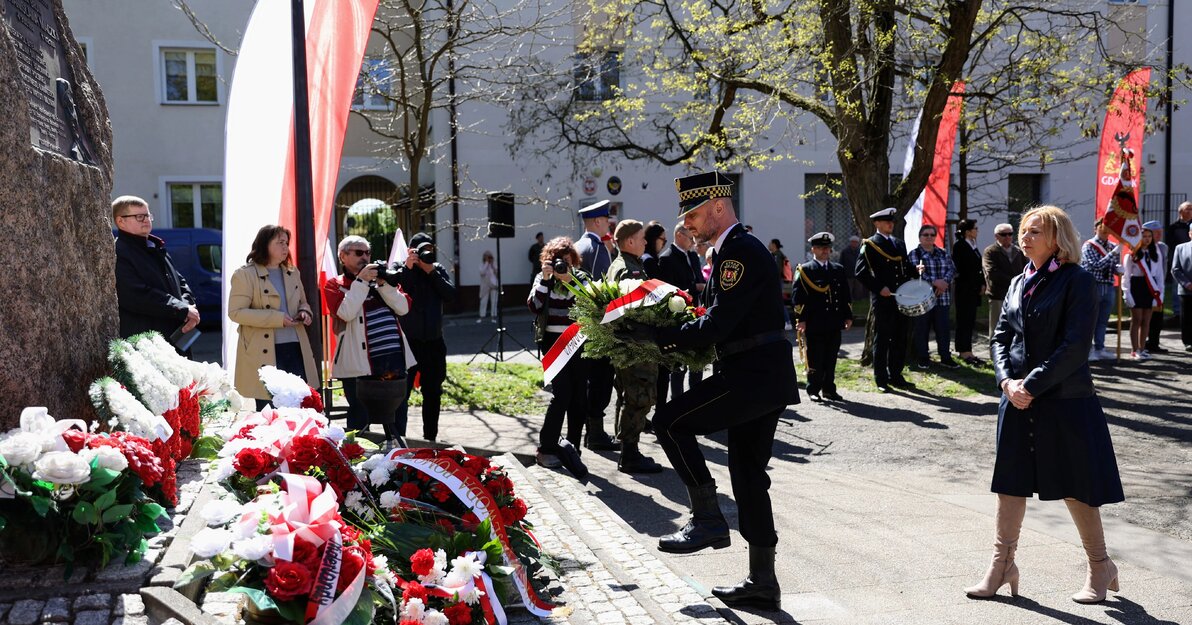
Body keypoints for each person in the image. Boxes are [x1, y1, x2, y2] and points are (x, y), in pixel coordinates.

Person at [650, 171, 799, 611]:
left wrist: (658, 335)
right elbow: (719, 318)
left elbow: (717, 324)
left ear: (718, 206)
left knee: (669, 421)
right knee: (749, 478)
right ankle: (762, 581)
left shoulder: (738, 253)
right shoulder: (735, 251)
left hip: (751, 374)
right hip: (762, 374)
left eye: (693, 214)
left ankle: (707, 519)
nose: (689, 224)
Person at [966, 205, 1123, 604]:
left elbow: (1074, 348)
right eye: (1023, 230)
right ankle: (1002, 566)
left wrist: (1030, 386)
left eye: (1035, 231)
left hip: (1064, 400)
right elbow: (1001, 336)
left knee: (1076, 487)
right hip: (1016, 398)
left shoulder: (1079, 281)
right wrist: (1005, 381)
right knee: (1010, 483)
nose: (1025, 237)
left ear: (1057, 239)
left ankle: (1099, 566)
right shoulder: (1019, 280)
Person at [323, 236, 411, 444]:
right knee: (359, 414)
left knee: (397, 412)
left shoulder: (381, 281)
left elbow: (403, 307)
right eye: (358, 253)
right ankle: (357, 457)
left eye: (367, 253)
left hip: (393, 359)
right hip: (358, 364)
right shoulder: (335, 284)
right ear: (343, 256)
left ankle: (398, 455)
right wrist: (361, 281)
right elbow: (345, 312)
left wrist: (383, 284)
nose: (365, 257)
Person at [228, 226, 318, 411]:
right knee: (269, 409)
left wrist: (304, 312)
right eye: (279, 243)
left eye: (286, 243)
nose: (285, 248)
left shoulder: (293, 272)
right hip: (264, 351)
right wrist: (276, 318)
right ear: (264, 244)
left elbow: (303, 302)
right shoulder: (245, 274)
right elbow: (235, 312)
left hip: (295, 346)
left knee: (298, 405)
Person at [605, 219, 664, 474]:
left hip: (629, 344)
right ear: (630, 241)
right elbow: (634, 310)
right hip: (635, 345)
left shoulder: (624, 264)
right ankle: (630, 455)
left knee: (631, 397)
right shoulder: (630, 270)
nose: (645, 242)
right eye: (641, 238)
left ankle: (629, 449)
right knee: (640, 398)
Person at [527, 237, 590, 469]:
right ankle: (546, 447)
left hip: (577, 341)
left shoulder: (581, 277)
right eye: (557, 260)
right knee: (562, 394)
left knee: (579, 398)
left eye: (567, 260)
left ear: (573, 260)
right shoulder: (542, 278)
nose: (562, 264)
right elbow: (534, 305)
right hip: (553, 343)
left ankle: (572, 448)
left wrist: (569, 280)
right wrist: (546, 279)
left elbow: (589, 302)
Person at [112, 196, 199, 352]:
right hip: (149, 344)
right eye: (139, 216)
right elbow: (134, 294)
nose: (146, 220)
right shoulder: (119, 251)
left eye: (147, 215)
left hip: (176, 337)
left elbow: (179, 281)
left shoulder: (155, 246)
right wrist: (180, 309)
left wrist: (187, 306)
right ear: (120, 221)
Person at [395, 232, 457, 442]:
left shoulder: (436, 269)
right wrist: (409, 268)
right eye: (420, 250)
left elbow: (450, 295)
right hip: (408, 343)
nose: (425, 254)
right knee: (402, 393)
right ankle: (397, 438)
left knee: (433, 393)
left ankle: (430, 438)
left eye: (429, 249)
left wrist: (431, 272)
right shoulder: (402, 270)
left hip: (433, 343)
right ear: (411, 252)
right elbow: (400, 291)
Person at [854, 207, 920, 392]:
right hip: (884, 299)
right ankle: (881, 379)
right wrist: (878, 288)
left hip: (902, 297)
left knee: (900, 338)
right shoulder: (870, 244)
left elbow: (904, 267)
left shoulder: (899, 244)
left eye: (892, 222)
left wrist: (916, 271)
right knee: (882, 339)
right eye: (886, 221)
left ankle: (896, 375)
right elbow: (860, 272)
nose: (890, 224)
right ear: (877, 223)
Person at [574, 200, 618, 451]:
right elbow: (605, 290)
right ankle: (596, 434)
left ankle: (591, 433)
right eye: (607, 221)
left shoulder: (579, 246)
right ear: (598, 221)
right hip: (598, 325)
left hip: (583, 325)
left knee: (590, 379)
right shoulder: (597, 248)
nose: (608, 225)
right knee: (601, 380)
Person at [791, 232, 853, 402]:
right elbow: (798, 298)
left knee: (831, 357)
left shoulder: (837, 269)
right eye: (821, 247)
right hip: (814, 322)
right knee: (815, 358)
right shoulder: (805, 270)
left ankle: (829, 389)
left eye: (827, 247)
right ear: (813, 250)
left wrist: (848, 316)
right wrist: (801, 319)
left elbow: (845, 295)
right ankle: (813, 389)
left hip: (834, 321)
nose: (825, 250)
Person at [656, 223, 701, 397]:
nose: (693, 242)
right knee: (678, 368)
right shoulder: (667, 258)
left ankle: (695, 401)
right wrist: (694, 286)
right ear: (680, 235)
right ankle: (678, 403)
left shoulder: (693, 256)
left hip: (696, 315)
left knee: (696, 364)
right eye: (691, 238)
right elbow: (668, 289)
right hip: (678, 319)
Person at [908, 225, 960, 369]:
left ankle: (945, 357)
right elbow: (916, 273)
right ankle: (923, 358)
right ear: (920, 237)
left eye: (932, 235)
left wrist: (944, 283)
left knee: (943, 329)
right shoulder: (914, 254)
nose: (929, 237)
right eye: (926, 235)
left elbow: (952, 269)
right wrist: (935, 282)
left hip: (942, 298)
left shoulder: (943, 253)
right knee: (922, 329)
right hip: (922, 300)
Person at [1079, 218, 1122, 361]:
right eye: (1101, 227)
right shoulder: (1089, 246)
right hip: (1094, 285)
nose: (1105, 230)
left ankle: (1100, 348)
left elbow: (1111, 266)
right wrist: (1113, 254)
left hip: (1109, 286)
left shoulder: (1112, 246)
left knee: (1103, 320)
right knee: (1090, 319)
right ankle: (1088, 349)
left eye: (1107, 227)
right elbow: (1096, 266)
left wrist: (1118, 269)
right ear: (1095, 229)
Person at [1122, 226, 1164, 360]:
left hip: (1150, 287)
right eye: (1144, 236)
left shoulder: (1155, 252)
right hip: (1136, 286)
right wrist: (1126, 293)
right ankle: (1135, 349)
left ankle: (1142, 348)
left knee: (1147, 320)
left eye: (1149, 236)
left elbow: (1159, 274)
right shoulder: (1131, 254)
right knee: (1137, 319)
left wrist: (1160, 293)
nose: (1147, 239)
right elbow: (1126, 275)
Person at [983, 223, 1027, 342]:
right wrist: (1014, 281)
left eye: (1010, 234)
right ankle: (995, 356)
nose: (1007, 237)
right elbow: (992, 272)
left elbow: (1027, 269)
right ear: (996, 236)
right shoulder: (990, 251)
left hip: (1017, 294)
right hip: (998, 294)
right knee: (997, 326)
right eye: (1003, 234)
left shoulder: (1019, 251)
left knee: (1015, 326)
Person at [952, 219, 986, 365]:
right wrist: (974, 282)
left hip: (973, 289)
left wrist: (982, 283)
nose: (977, 231)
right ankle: (963, 351)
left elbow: (978, 267)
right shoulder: (959, 245)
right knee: (963, 320)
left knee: (970, 320)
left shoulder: (973, 245)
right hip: (964, 289)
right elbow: (961, 268)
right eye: (975, 228)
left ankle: (969, 350)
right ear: (967, 231)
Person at [1144, 221, 1169, 353]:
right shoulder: (1142, 247)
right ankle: (1142, 343)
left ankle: (1154, 343)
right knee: (1145, 316)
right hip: (1145, 285)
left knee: (1158, 317)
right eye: (1157, 233)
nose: (1160, 235)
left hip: (1159, 286)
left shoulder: (1163, 247)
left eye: (1161, 232)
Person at [1164, 202, 1192, 319]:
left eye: (1191, 209)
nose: (1191, 212)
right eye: (1188, 209)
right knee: (1177, 286)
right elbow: (1170, 243)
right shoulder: (1174, 227)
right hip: (1180, 259)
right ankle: (1177, 311)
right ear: (1180, 212)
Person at [1171, 224, 1192, 351]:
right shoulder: (1180, 248)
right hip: (1186, 290)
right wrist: (1187, 284)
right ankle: (1188, 341)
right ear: (1190, 234)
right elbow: (1175, 269)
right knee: (1187, 317)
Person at [769, 238, 794, 330]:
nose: (769, 245)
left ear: (774, 245)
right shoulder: (776, 255)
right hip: (779, 282)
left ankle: (787, 321)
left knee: (779, 302)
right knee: (776, 302)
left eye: (770, 243)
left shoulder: (777, 255)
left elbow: (777, 270)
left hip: (778, 282)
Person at [838, 235, 867, 303]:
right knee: (848, 288)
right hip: (848, 274)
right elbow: (841, 262)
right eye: (853, 242)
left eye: (856, 242)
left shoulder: (860, 251)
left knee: (858, 288)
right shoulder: (845, 251)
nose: (854, 243)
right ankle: (849, 300)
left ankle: (858, 300)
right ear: (850, 242)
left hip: (858, 274)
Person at [477, 250, 499, 323]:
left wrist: (492, 264)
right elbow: (482, 272)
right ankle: (482, 316)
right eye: (487, 256)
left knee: (494, 301)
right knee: (483, 301)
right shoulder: (482, 264)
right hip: (485, 285)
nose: (488, 258)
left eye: (489, 256)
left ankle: (493, 316)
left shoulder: (493, 264)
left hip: (494, 285)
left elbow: (497, 272)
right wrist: (486, 263)